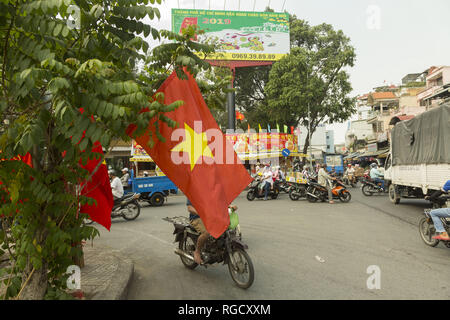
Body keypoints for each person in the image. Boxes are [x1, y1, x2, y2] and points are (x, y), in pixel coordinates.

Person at [186, 198, 238, 264]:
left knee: (225, 226)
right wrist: (200, 212)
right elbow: (189, 208)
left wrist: (230, 206)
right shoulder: (193, 192)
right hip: (197, 218)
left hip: (210, 216)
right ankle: (197, 252)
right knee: (206, 233)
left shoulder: (208, 191)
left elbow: (217, 202)